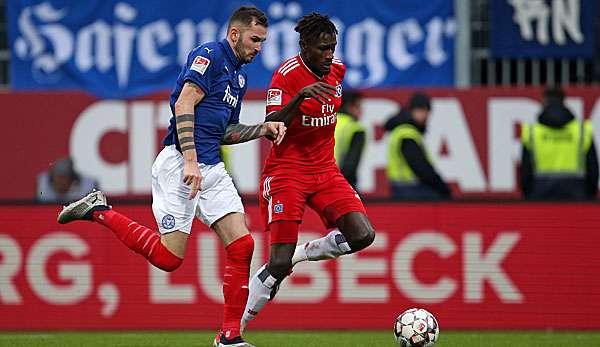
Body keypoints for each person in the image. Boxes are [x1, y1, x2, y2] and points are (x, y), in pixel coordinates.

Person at [57, 7, 285, 347]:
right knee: (168, 260)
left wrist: (260, 129)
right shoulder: (209, 55)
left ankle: (229, 336)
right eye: (255, 40)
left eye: (263, 42)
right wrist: (191, 161)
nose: (258, 48)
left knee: (243, 245)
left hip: (211, 168)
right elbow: (183, 104)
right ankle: (97, 209)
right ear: (235, 35)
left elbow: (225, 131)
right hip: (180, 164)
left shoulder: (239, 78)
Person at [241, 12, 375, 331]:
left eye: (333, 47)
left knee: (363, 234)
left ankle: (303, 253)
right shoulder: (286, 77)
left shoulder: (337, 71)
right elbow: (273, 125)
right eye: (323, 48)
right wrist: (300, 98)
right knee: (277, 264)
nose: (329, 54)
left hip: (326, 170)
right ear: (304, 45)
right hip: (288, 172)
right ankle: (234, 330)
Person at [520, 87, 598, 200]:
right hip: (577, 193)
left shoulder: (532, 132)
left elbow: (525, 169)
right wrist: (590, 194)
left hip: (540, 194)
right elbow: (593, 167)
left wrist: (528, 194)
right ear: (563, 101)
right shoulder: (581, 130)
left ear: (544, 101)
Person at [384, 91, 451, 200]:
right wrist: (443, 188)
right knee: (440, 202)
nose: (426, 116)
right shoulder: (407, 134)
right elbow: (421, 167)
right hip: (409, 188)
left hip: (400, 188)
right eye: (424, 111)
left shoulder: (401, 131)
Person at [334, 90, 366, 189]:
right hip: (340, 181)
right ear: (350, 107)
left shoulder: (326, 121)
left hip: (317, 179)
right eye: (358, 106)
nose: (361, 111)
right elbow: (351, 163)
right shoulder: (355, 128)